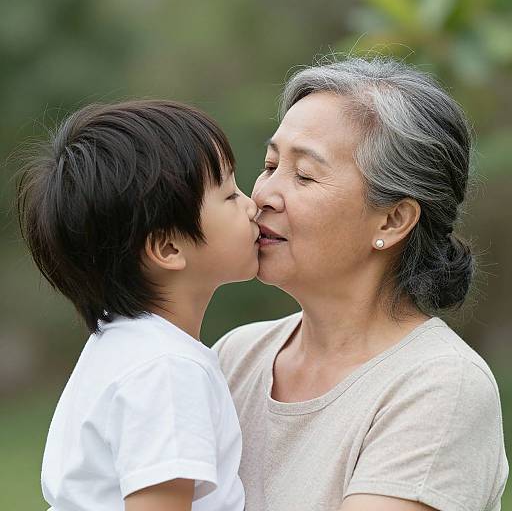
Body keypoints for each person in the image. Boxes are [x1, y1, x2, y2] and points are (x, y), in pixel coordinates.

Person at [214, 57, 509, 511]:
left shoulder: (441, 387)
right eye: (271, 165)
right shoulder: (233, 357)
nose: (263, 196)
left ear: (393, 220)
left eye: (305, 175)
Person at [16, 100, 260, 511]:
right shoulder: (167, 369)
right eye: (230, 195)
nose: (253, 205)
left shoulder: (119, 349)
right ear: (167, 247)